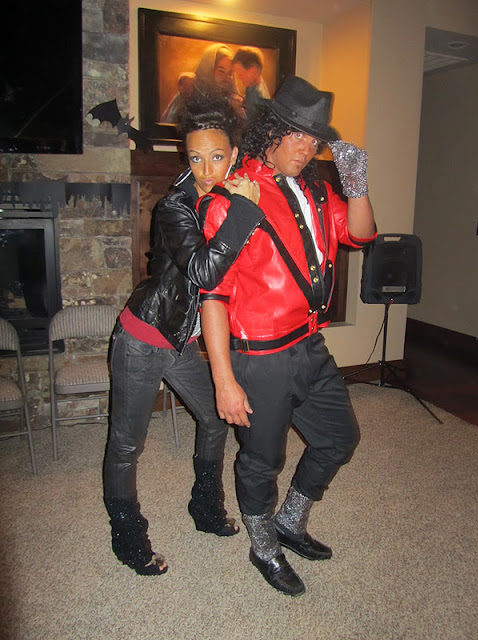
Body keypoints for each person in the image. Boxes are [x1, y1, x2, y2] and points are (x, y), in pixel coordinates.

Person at [199, 76, 377, 596]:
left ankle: (290, 521)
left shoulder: (318, 192)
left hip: (310, 345)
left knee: (340, 438)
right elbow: (213, 295)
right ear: (270, 131)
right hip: (259, 357)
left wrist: (356, 184)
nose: (305, 147)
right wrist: (224, 380)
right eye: (296, 134)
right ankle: (263, 545)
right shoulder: (236, 196)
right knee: (263, 461)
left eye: (313, 139)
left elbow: (361, 234)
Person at [103, 91, 263, 576]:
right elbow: (204, 272)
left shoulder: (223, 193)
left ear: (233, 154)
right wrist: (245, 211)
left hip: (178, 340)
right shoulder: (175, 206)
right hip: (142, 337)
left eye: (217, 157)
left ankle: (205, 507)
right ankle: (127, 536)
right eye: (195, 158)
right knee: (127, 444)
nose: (206, 169)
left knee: (214, 419)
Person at [232, 47, 270, 121]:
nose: (238, 77)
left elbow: (250, 123)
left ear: (253, 71)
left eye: (241, 73)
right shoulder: (252, 87)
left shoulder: (257, 95)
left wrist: (237, 111)